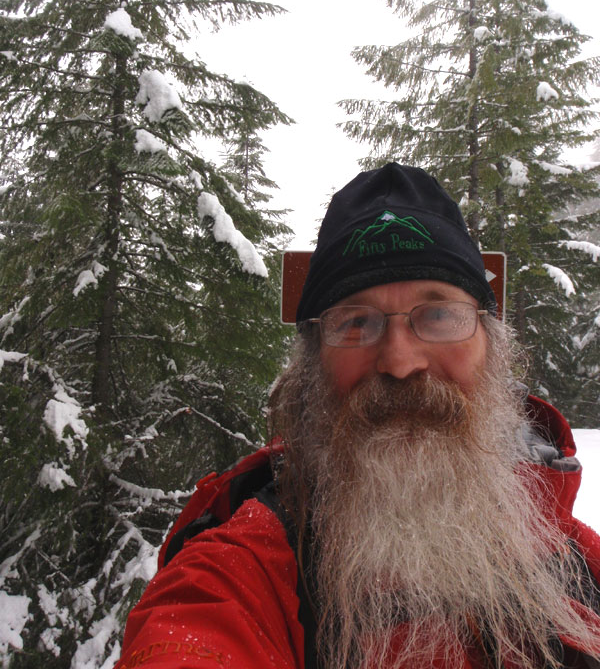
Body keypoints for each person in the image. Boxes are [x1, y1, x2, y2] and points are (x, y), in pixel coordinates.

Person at [115, 163, 600, 669]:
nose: (399, 361)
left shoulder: (570, 552)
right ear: (312, 367)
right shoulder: (240, 571)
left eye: (438, 315)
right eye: (355, 322)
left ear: (492, 346)